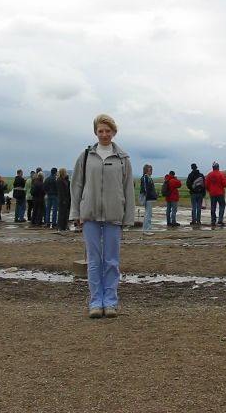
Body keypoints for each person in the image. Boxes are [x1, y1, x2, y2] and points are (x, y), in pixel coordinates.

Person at [70, 114, 135, 319]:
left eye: (108, 131)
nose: (104, 134)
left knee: (111, 261)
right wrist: (76, 213)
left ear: (114, 132)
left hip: (114, 215)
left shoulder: (123, 159)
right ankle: (96, 302)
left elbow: (128, 189)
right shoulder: (86, 156)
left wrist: (128, 217)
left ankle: (111, 302)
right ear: (95, 132)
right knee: (94, 260)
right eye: (101, 131)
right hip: (89, 214)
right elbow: (76, 185)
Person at [206, 162, 226, 226]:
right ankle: (220, 220)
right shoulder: (221, 174)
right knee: (222, 205)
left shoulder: (209, 175)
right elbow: (225, 183)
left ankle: (213, 221)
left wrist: (210, 190)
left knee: (213, 207)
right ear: (218, 167)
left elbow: (206, 185)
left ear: (212, 168)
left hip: (212, 193)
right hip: (220, 193)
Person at [140, 164, 157, 232]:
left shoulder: (149, 178)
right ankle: (146, 229)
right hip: (147, 198)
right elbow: (145, 188)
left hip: (150, 198)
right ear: (146, 170)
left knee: (149, 214)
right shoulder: (145, 177)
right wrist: (148, 195)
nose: (151, 171)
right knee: (148, 214)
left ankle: (147, 228)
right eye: (150, 169)